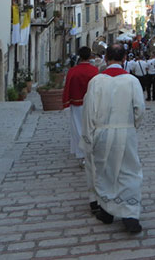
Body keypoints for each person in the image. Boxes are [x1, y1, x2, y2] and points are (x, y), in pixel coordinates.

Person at [81, 43, 146, 234]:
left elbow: (88, 112)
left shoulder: (96, 82)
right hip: (126, 133)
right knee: (130, 171)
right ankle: (130, 215)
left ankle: (107, 211)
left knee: (104, 170)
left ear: (107, 58)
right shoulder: (132, 81)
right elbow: (140, 110)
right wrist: (132, 126)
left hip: (102, 132)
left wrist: (88, 137)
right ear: (124, 58)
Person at [62, 46, 99, 166]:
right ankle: (91, 151)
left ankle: (82, 154)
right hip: (92, 104)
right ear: (90, 57)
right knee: (92, 127)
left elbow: (67, 87)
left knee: (78, 128)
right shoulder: (95, 71)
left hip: (77, 103)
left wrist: (66, 102)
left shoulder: (72, 71)